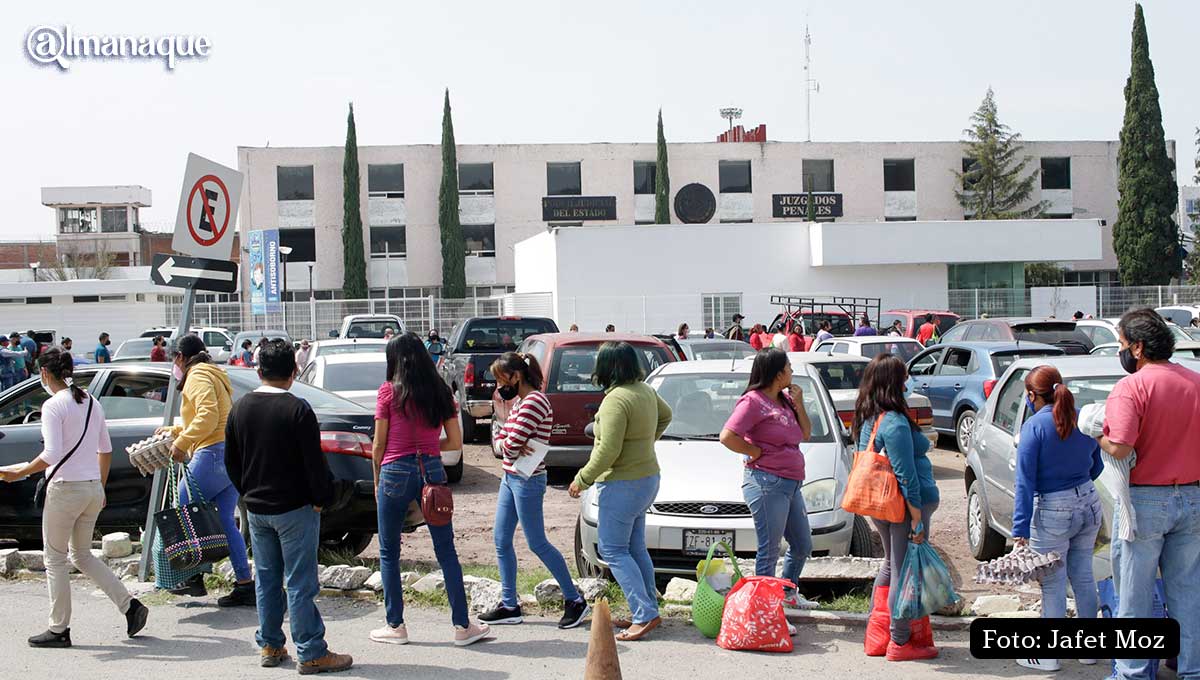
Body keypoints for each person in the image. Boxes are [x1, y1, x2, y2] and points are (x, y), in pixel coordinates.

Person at [0, 347, 149, 648]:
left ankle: (59, 629)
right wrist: (100, 487)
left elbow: (52, 454)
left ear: (44, 373)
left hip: (66, 490)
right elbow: (104, 450)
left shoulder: (53, 406)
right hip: (92, 488)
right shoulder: (91, 402)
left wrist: (20, 473)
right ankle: (129, 606)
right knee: (81, 555)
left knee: (54, 559)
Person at [223, 340, 352, 673]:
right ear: (294, 371)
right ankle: (311, 651)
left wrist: (247, 493)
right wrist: (322, 499)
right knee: (300, 582)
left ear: (258, 370)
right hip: (295, 508)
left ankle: (270, 644)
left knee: (266, 579)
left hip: (257, 508)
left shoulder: (240, 408)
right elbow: (314, 464)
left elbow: (232, 462)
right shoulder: (299, 409)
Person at [1097, 308, 1200, 680]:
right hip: (1191, 498)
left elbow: (1121, 446)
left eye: (1122, 344)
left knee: (1135, 597)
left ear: (1137, 348)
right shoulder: (1195, 382)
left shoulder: (1132, 387)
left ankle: (1134, 672)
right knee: (1188, 595)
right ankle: (1193, 670)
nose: (1121, 351)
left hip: (1145, 504)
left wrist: (1099, 438)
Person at [369, 333, 491, 647]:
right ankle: (463, 626)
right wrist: (425, 448)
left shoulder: (388, 392)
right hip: (432, 471)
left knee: (389, 551)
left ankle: (395, 625)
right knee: (446, 551)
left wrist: (377, 481)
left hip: (395, 472)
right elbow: (453, 442)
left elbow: (379, 445)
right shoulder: (441, 392)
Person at [569, 342, 671, 642]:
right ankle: (648, 609)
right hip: (647, 478)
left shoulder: (615, 400)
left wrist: (582, 479)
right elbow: (666, 416)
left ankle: (645, 614)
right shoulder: (645, 390)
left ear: (608, 367)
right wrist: (645, 442)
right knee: (635, 548)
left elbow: (608, 450)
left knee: (613, 549)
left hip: (623, 483)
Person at [481, 352, 590, 629]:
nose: (498, 386)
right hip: (512, 476)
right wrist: (507, 437)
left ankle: (574, 599)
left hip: (527, 480)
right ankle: (509, 605)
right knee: (501, 539)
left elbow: (509, 443)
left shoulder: (533, 402)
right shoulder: (521, 402)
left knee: (537, 542)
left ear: (516, 376)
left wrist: (507, 438)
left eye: (501, 379)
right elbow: (501, 438)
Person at [1010, 365, 1104, 673]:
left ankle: (1048, 656)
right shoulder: (1079, 419)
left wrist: (1019, 529)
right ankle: (1089, 651)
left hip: (1053, 509)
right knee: (1083, 576)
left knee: (1052, 583)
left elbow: (1024, 483)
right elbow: (1096, 465)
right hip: (1089, 502)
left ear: (1031, 395)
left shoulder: (1034, 428)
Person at [154, 335, 254, 605]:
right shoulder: (214, 373)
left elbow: (208, 416)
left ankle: (194, 577)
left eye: (174, 358)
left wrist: (181, 443)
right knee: (224, 524)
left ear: (181, 358)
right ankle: (245, 583)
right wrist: (175, 430)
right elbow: (210, 415)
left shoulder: (196, 375)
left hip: (210, 453)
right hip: (229, 457)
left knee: (185, 509)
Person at [853, 353, 940, 661]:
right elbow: (906, 475)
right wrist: (916, 516)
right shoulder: (895, 422)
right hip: (902, 508)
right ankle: (900, 642)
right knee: (903, 574)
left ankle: (879, 636)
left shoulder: (870, 417)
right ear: (894, 382)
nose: (908, 382)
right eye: (904, 377)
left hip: (881, 506)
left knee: (891, 566)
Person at [719, 348, 818, 615]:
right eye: (789, 367)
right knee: (769, 549)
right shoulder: (752, 401)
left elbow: (806, 433)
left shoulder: (785, 399)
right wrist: (754, 452)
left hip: (791, 482)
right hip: (766, 482)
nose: (792, 371)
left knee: (802, 544)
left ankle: (787, 594)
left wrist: (800, 403)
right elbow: (727, 436)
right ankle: (764, 612)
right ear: (777, 373)